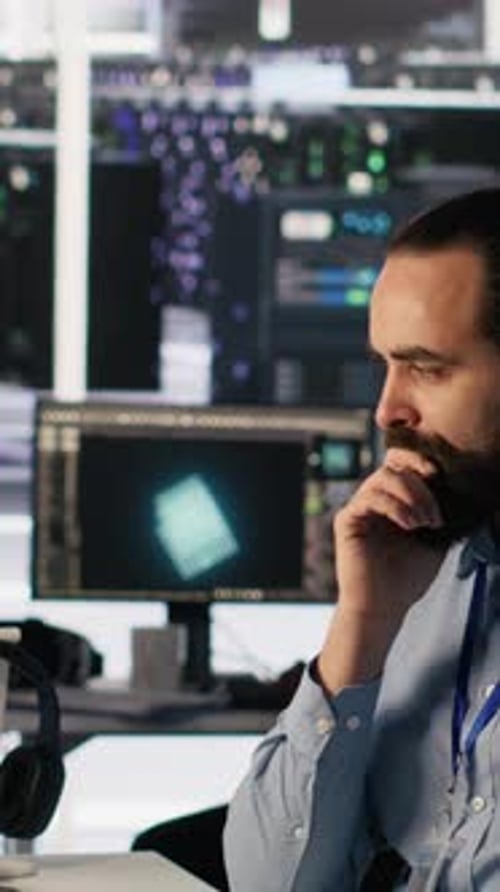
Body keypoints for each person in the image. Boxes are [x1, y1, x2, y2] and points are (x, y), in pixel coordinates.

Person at [223, 186, 500, 891]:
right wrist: (363, 626)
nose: (387, 410)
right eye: (385, 366)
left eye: (427, 369)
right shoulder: (422, 573)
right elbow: (269, 883)